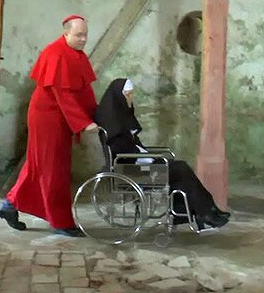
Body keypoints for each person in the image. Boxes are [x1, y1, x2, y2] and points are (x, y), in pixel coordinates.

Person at [0, 14, 98, 237]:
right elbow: (63, 95)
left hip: (59, 117)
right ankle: (60, 221)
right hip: (47, 118)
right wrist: (83, 123)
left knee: (39, 165)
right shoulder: (55, 53)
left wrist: (95, 113)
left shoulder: (77, 54)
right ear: (66, 33)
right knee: (53, 169)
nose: (83, 39)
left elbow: (83, 90)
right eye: (78, 35)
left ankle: (9, 205)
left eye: (85, 35)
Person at [94, 78, 230, 230]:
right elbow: (121, 151)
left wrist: (146, 155)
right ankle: (205, 212)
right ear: (118, 96)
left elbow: (133, 144)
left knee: (181, 171)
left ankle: (202, 211)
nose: (131, 98)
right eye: (128, 94)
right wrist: (146, 157)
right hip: (130, 168)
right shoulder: (111, 120)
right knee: (180, 169)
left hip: (139, 162)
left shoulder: (122, 114)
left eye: (131, 94)